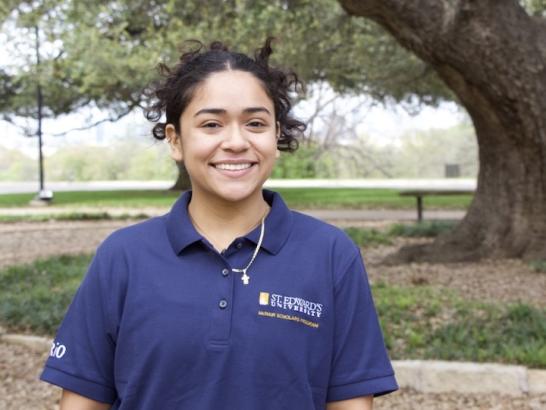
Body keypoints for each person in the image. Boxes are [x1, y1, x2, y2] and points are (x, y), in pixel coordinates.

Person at [39, 37, 398, 410]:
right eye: (211, 124)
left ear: (277, 135)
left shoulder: (331, 254)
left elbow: (351, 402)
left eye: (256, 123)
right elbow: (82, 402)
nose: (236, 142)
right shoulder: (123, 256)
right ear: (175, 140)